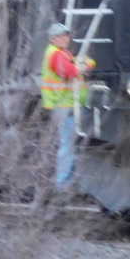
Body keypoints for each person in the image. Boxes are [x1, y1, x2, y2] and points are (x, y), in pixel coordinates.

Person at [40, 22, 93, 189]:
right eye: (60, 36)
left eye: (66, 35)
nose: (65, 39)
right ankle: (62, 183)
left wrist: (84, 64)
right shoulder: (56, 55)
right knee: (67, 144)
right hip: (63, 105)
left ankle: (67, 180)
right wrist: (85, 66)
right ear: (53, 39)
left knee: (69, 143)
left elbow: (81, 64)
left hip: (66, 104)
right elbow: (72, 71)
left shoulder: (61, 53)